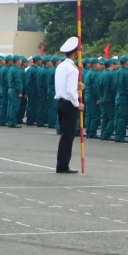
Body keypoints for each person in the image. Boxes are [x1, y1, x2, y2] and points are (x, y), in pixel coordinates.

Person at [54, 37, 81, 173]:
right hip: (69, 104)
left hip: (60, 102)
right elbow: (70, 91)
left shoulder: (61, 66)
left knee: (65, 135)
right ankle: (63, 165)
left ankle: (62, 164)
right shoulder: (73, 69)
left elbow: (64, 86)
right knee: (68, 136)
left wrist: (77, 86)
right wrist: (77, 104)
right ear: (75, 53)